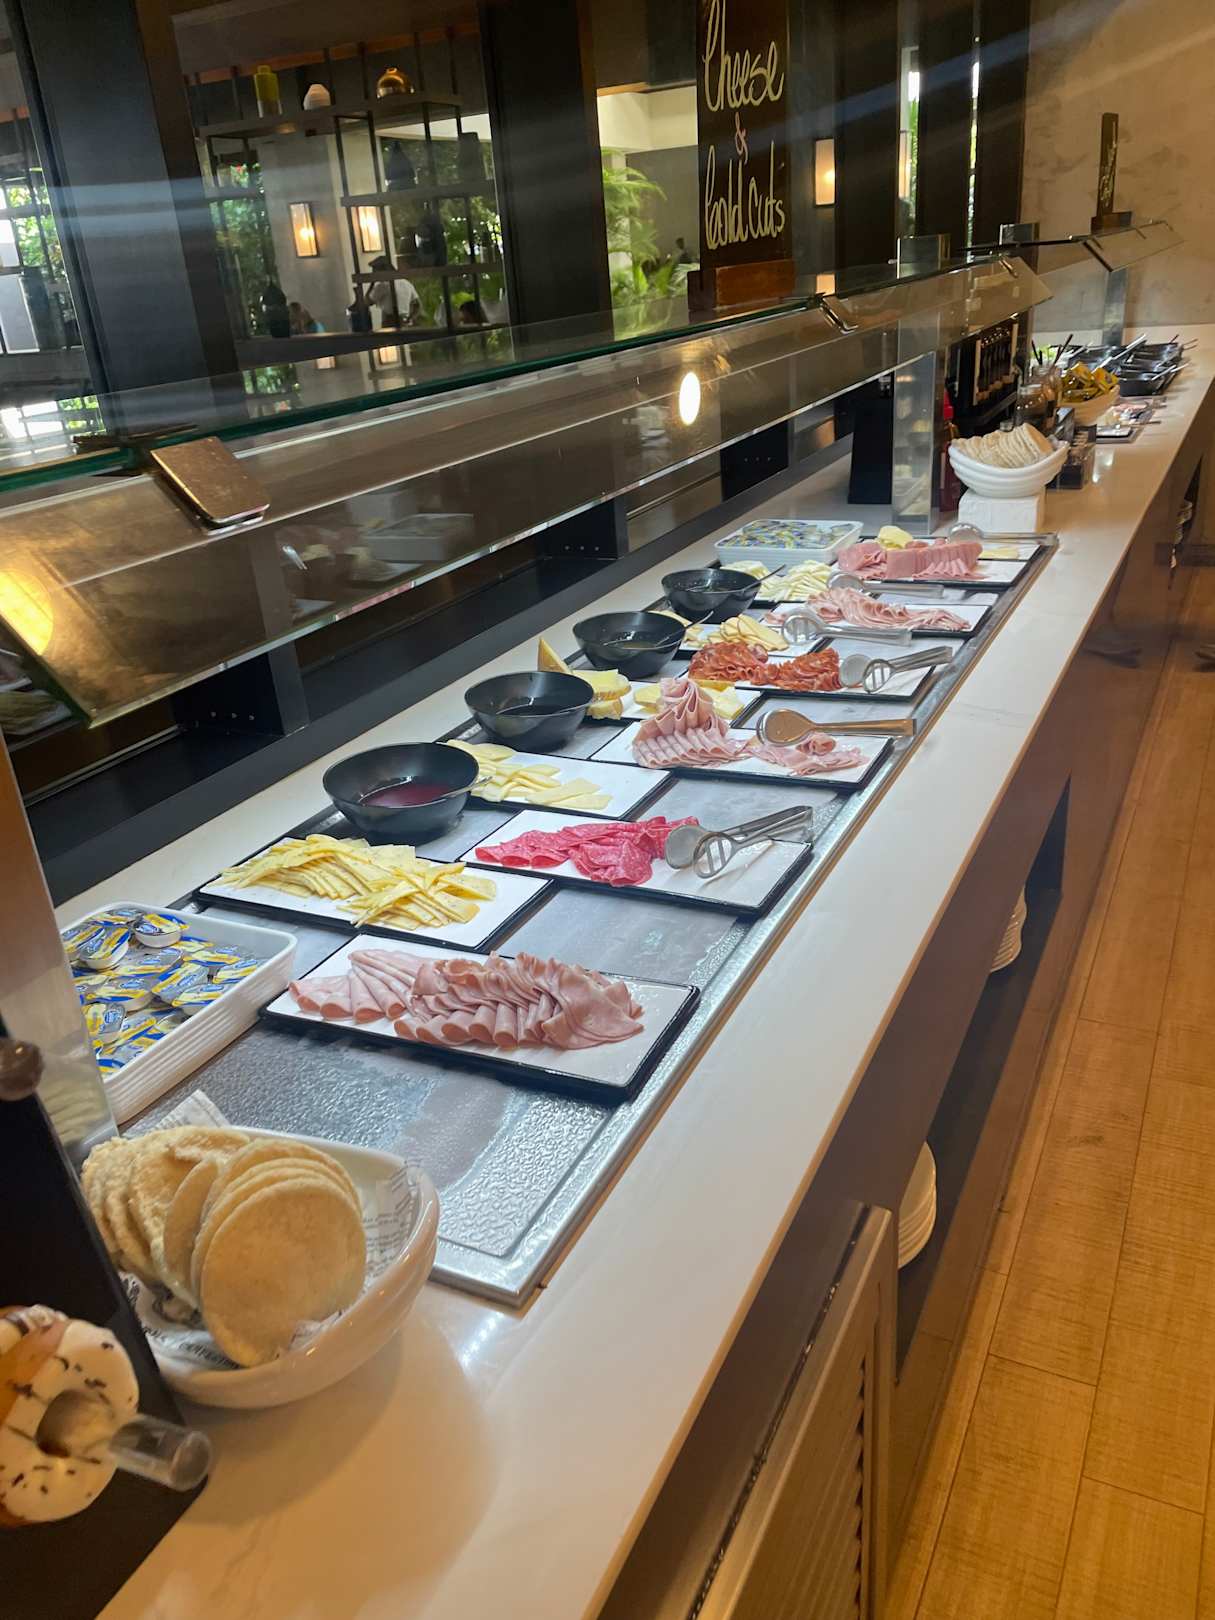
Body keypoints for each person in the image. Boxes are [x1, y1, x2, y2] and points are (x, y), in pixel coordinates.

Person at [367, 255, 420, 327]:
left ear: (382, 270)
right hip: (404, 322)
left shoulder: (383, 286)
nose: (373, 273)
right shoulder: (406, 283)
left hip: (389, 322)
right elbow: (417, 305)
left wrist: (372, 282)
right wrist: (410, 318)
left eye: (374, 271)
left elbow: (367, 302)